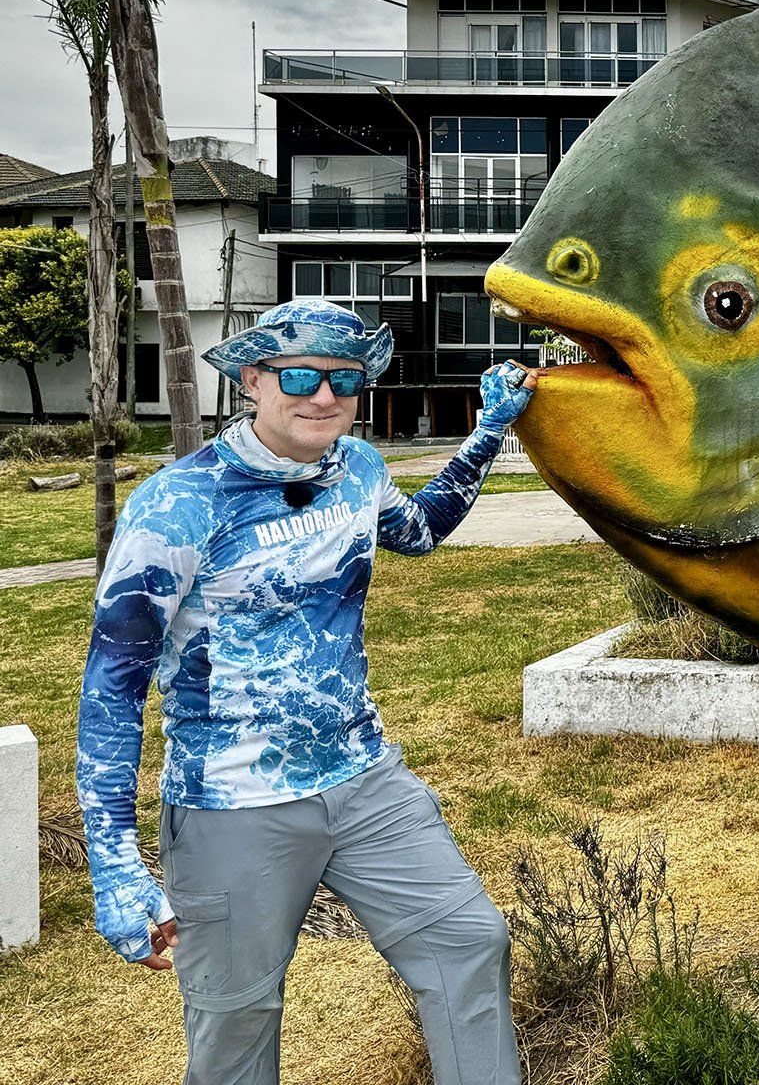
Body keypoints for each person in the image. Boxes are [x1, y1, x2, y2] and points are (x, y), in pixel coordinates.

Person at [76, 298, 539, 1084]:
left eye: (344, 381)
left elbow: (419, 532)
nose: (323, 397)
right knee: (236, 1030)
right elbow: (111, 689)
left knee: (467, 942)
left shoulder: (358, 469)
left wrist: (491, 430)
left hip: (364, 779)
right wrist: (115, 863)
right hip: (230, 804)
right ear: (251, 380)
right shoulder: (179, 504)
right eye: (298, 375)